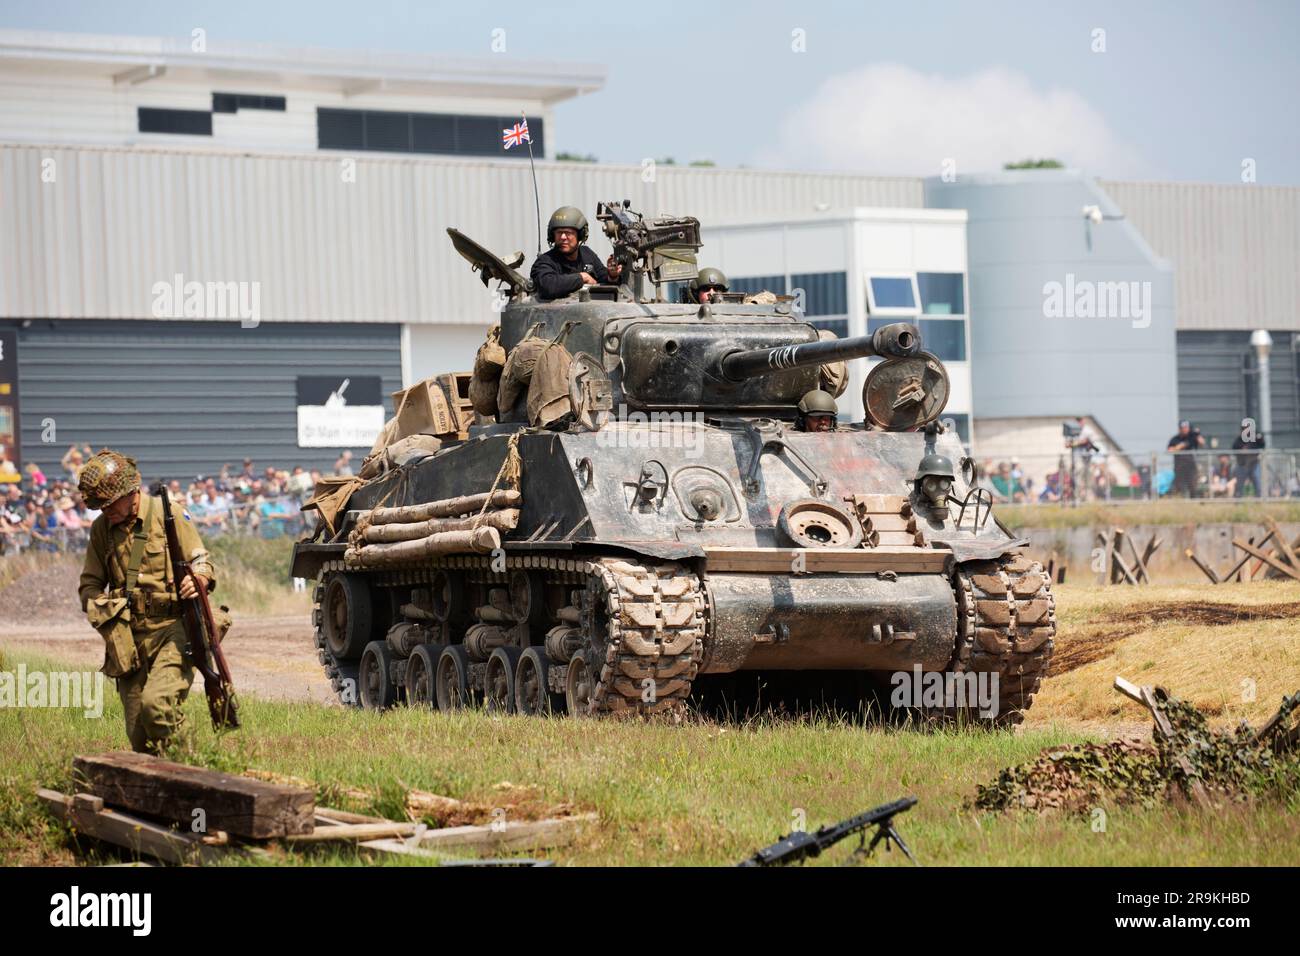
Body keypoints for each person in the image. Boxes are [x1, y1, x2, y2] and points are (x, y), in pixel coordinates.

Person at [77, 449, 218, 754]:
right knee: (139, 737)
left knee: (157, 707)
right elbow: (89, 586)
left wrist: (198, 579)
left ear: (130, 492)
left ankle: (193, 772)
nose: (105, 511)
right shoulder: (102, 529)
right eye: (99, 506)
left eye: (109, 503)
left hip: (175, 628)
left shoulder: (169, 514)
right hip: (129, 637)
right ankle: (161, 789)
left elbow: (201, 560)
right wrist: (104, 611)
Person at [529, 206, 623, 301]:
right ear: (552, 235)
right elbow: (548, 286)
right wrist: (582, 277)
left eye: (568, 233)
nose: (563, 237)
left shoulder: (587, 254)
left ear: (580, 235)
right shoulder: (545, 261)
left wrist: (612, 275)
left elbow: (603, 278)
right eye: (559, 232)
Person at [1166, 420, 1204, 497]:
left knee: (1192, 484)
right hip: (1179, 467)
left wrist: (1197, 434)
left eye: (1186, 427)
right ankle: (1180, 501)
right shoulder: (1175, 439)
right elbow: (1169, 450)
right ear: (1179, 429)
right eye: (1183, 428)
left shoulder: (1192, 437)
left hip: (1191, 466)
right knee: (1179, 486)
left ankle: (1194, 501)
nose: (1185, 429)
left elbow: (1202, 443)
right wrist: (1180, 446)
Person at [1231, 428, 1265, 498]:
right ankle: (1238, 499)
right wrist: (1242, 449)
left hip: (1254, 464)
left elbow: (1262, 445)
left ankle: (1259, 499)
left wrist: (1259, 438)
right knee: (1239, 484)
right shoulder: (1239, 440)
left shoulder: (1255, 438)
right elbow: (1234, 447)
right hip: (1242, 465)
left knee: (1257, 482)